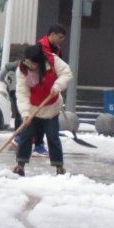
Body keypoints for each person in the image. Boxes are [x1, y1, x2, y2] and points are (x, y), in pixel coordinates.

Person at [13, 44, 73, 176]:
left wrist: (58, 86)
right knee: (26, 135)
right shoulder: (22, 70)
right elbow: (22, 94)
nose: (29, 66)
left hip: (51, 107)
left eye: (32, 64)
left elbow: (67, 73)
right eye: (27, 62)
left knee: (52, 136)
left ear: (40, 62)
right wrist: (25, 114)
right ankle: (20, 165)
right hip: (32, 107)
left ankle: (59, 167)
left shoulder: (53, 61)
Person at [30, 24, 68, 157]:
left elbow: (59, 68)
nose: (61, 40)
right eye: (60, 37)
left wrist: (58, 85)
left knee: (47, 118)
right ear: (52, 35)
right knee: (37, 116)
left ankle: (41, 146)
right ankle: (36, 144)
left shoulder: (57, 49)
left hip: (51, 88)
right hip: (38, 87)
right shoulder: (39, 47)